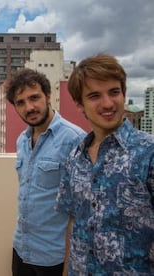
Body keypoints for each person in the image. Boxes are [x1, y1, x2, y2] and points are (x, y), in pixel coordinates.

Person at [56, 53, 154, 275]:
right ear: (80, 105)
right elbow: (73, 220)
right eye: (94, 96)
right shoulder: (74, 156)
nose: (108, 103)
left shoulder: (148, 153)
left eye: (114, 92)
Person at [5, 68, 85, 276]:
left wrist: (71, 266)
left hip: (54, 258)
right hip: (22, 249)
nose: (29, 107)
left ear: (48, 96)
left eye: (34, 98)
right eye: (20, 102)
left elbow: (82, 210)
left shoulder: (74, 140)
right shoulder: (22, 140)